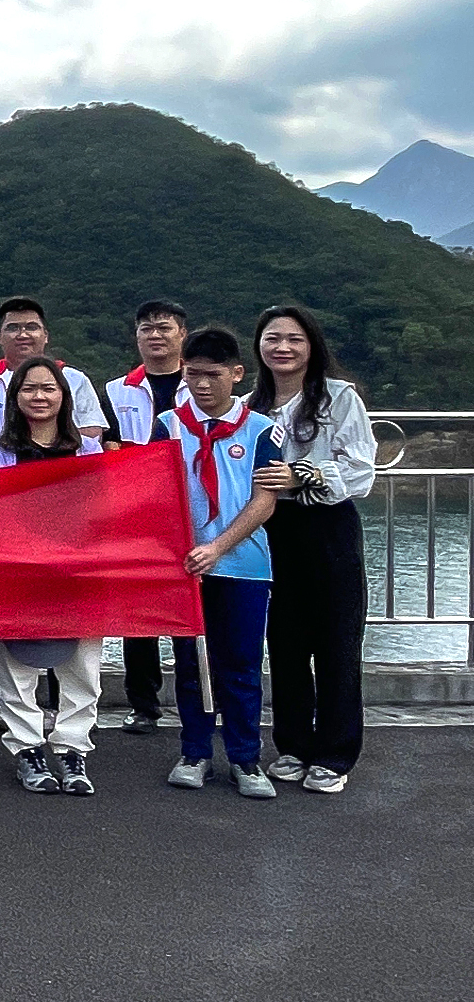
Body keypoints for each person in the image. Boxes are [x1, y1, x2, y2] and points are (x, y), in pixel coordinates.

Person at [251, 303, 372, 796]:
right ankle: (293, 746)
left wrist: (302, 474)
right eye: (272, 338)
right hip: (274, 530)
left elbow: (361, 469)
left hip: (328, 530)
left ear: (312, 346)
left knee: (337, 644)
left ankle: (336, 753)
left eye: (294, 339)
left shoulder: (339, 397)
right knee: (286, 644)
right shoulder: (251, 406)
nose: (282, 348)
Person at [162, 328, 282, 795]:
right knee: (191, 665)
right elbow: (157, 493)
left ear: (236, 374)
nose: (202, 385)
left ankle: (246, 758)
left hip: (244, 565)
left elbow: (265, 500)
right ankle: (194, 752)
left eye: (213, 375)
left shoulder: (261, 429)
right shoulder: (167, 424)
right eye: (192, 375)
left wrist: (218, 546)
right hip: (186, 567)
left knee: (241, 665)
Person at [0, 356, 103, 794]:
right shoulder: (0, 453)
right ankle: (27, 748)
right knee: (18, 666)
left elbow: (102, 508)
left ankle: (74, 748)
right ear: (15, 398)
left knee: (83, 665)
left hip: (79, 570)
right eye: (30, 389)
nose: (40, 396)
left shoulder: (88, 450)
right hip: (19, 571)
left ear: (63, 396)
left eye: (49, 389)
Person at [107, 299, 194, 735]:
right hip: (135, 516)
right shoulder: (115, 390)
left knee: (189, 611)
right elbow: (106, 452)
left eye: (163, 328)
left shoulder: (201, 386)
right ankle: (143, 705)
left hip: (192, 514)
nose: (154, 336)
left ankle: (194, 703)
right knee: (138, 616)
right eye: (146, 329)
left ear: (182, 334)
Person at [0, 297, 109, 444]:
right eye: (13, 328)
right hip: (2, 465)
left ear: (46, 336)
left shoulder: (74, 379)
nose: (23, 335)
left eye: (31, 327)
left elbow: (92, 432)